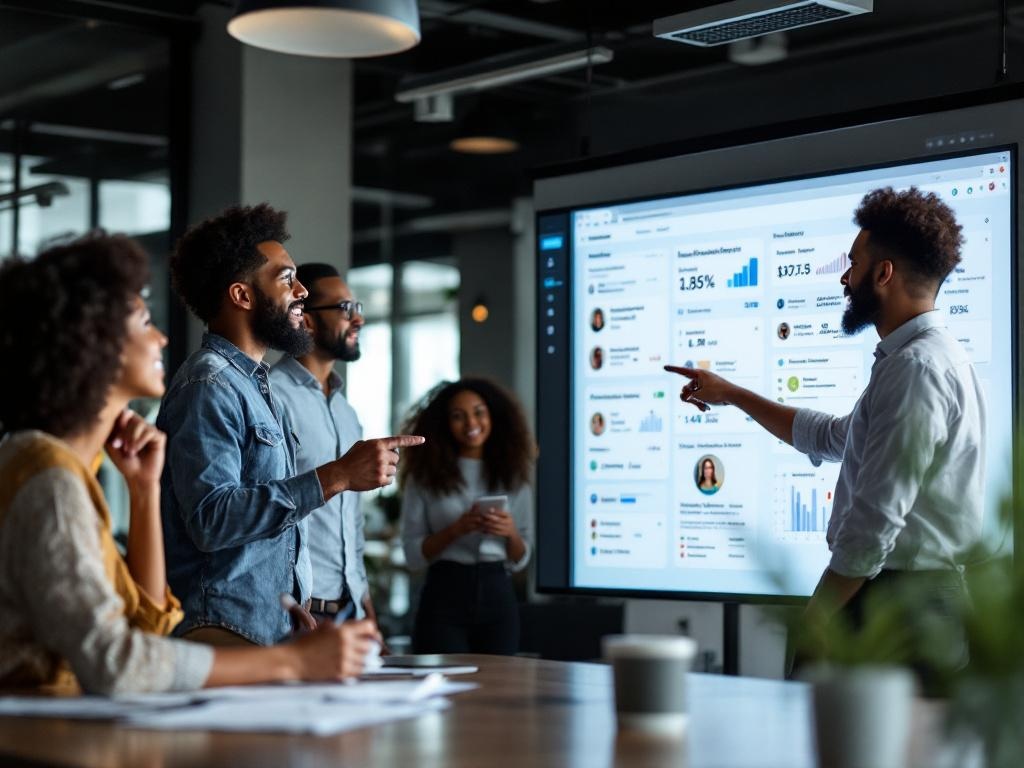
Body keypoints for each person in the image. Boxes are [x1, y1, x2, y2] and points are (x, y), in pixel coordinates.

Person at [0, 234, 376, 695]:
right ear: (92, 342)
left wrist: (143, 493)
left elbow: (151, 617)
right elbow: (116, 660)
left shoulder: (72, 470)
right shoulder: (48, 477)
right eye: (143, 320)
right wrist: (291, 661)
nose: (161, 337)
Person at [667, 187, 984, 686]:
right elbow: (835, 437)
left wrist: (815, 618)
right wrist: (731, 393)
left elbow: (875, 522)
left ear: (883, 274)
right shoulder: (918, 360)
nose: (844, 277)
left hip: (898, 610)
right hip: (900, 601)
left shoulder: (915, 368)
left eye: (853, 263)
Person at [159, 204, 423, 646]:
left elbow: (264, 528)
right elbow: (212, 519)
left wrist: (286, 598)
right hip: (222, 629)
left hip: (266, 624)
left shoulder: (255, 387)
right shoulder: (209, 383)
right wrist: (337, 474)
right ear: (242, 296)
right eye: (286, 279)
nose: (301, 291)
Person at [269, 263, 378, 627]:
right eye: (346, 309)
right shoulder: (272, 396)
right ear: (309, 320)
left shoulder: (347, 412)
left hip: (350, 610)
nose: (358, 320)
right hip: (298, 613)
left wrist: (366, 611)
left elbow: (352, 521)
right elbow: (263, 504)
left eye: (357, 308)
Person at [399, 378, 535, 654]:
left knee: (499, 690)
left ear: (493, 416)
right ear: (444, 424)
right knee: (442, 689)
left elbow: (522, 558)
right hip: (444, 594)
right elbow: (412, 554)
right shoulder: (424, 477)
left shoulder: (514, 477)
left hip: (498, 593)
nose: (471, 423)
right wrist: (455, 530)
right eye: (458, 416)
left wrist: (510, 532)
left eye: (478, 412)